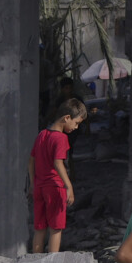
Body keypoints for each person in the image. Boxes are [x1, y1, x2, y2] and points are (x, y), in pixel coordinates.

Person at [31, 98, 86, 254]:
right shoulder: (61, 138)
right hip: (55, 187)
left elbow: (31, 160)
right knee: (56, 229)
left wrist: (32, 183)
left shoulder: (42, 134)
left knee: (39, 228)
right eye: (76, 123)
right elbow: (58, 163)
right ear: (66, 118)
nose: (76, 127)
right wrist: (69, 186)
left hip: (39, 186)